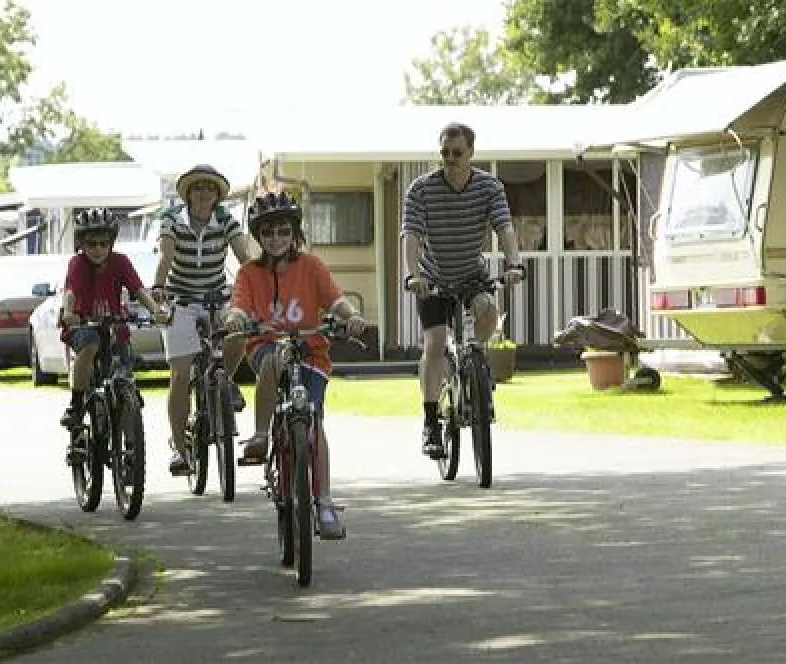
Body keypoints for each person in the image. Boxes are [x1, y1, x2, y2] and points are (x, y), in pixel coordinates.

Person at [222, 191, 366, 540]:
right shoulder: (248, 272)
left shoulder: (311, 266)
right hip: (267, 345)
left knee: (314, 422)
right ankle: (260, 434)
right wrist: (238, 318)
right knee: (273, 359)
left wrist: (351, 316)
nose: (276, 239)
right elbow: (238, 306)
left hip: (311, 351)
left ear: (294, 233)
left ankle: (325, 502)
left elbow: (336, 300)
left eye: (283, 231)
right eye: (268, 232)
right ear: (258, 236)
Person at [400, 122, 525, 460]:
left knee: (487, 309)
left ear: (471, 152)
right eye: (445, 153)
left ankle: (477, 363)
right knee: (435, 343)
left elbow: (505, 228)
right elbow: (410, 236)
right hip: (433, 277)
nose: (451, 159)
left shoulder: (489, 187)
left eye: (457, 153)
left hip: (471, 274)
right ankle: (430, 421)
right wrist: (413, 276)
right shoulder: (421, 190)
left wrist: (514, 264)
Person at [152, 164, 251, 476]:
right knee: (181, 375)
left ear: (218, 195)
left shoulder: (225, 220)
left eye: (210, 188)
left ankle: (227, 380)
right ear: (188, 193)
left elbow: (244, 258)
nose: (204, 193)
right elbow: (166, 256)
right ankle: (180, 450)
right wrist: (158, 287)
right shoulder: (172, 219)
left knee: (238, 332)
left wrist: (257, 286)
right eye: (198, 188)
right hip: (180, 298)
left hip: (217, 296)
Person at [59, 208, 169, 444]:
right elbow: (71, 292)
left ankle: (130, 447)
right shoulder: (77, 264)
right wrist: (69, 313)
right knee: (89, 347)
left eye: (103, 243)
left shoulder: (120, 262)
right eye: (91, 244)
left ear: (111, 242)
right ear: (82, 244)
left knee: (124, 379)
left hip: (115, 327)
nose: (98, 250)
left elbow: (138, 290)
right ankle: (76, 405)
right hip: (84, 325)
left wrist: (156, 310)